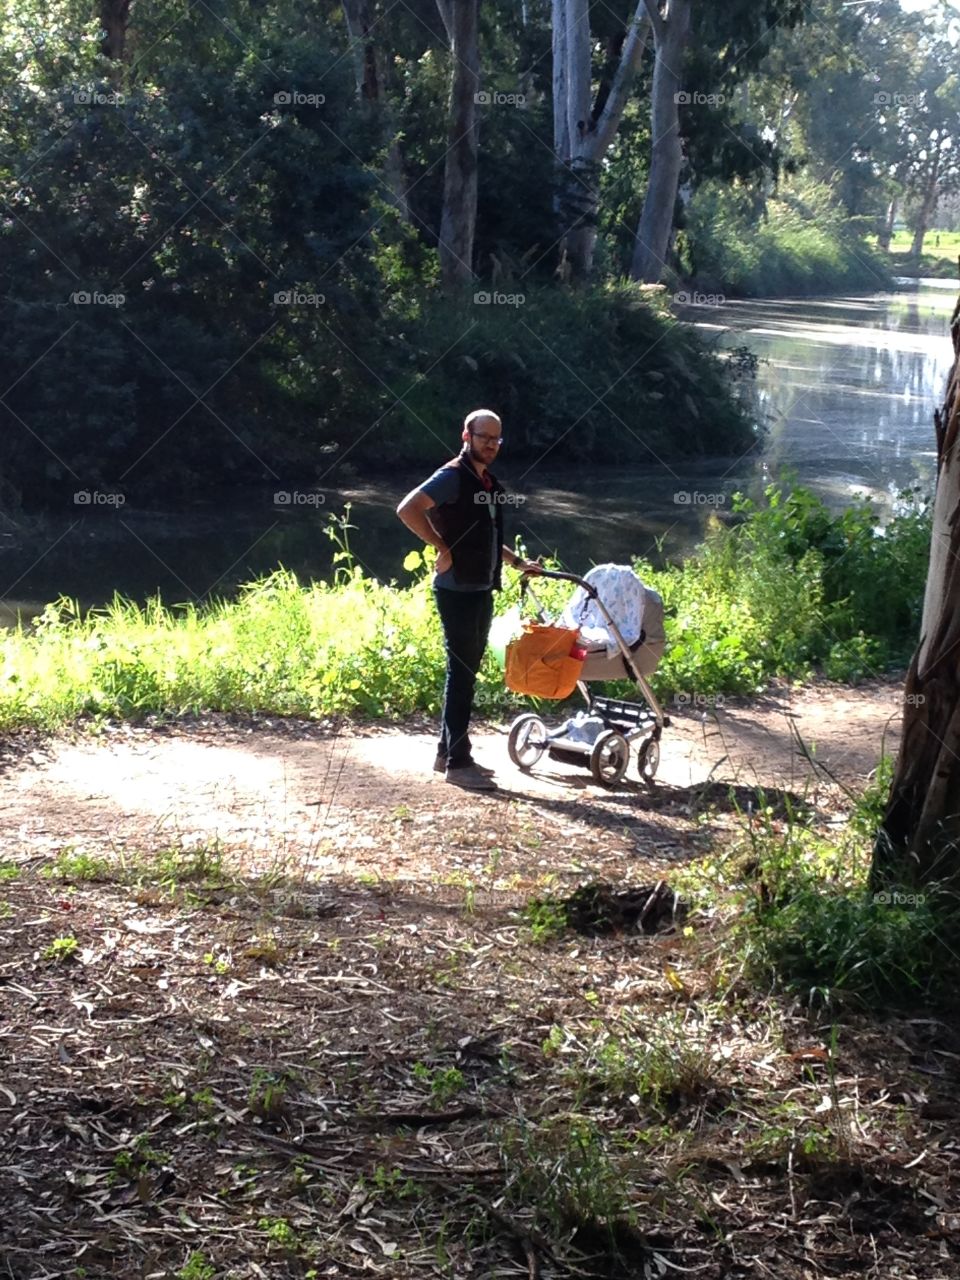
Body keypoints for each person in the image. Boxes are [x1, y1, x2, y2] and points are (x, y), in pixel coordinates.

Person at [397, 409, 541, 792]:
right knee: (461, 672)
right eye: (484, 437)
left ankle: (447, 751)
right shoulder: (452, 476)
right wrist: (441, 547)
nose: (491, 444)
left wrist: (516, 562)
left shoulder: (486, 481)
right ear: (467, 435)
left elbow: (487, 533)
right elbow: (408, 508)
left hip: (481, 587)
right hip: (456, 588)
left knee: (465, 671)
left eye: (497, 439)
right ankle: (459, 763)